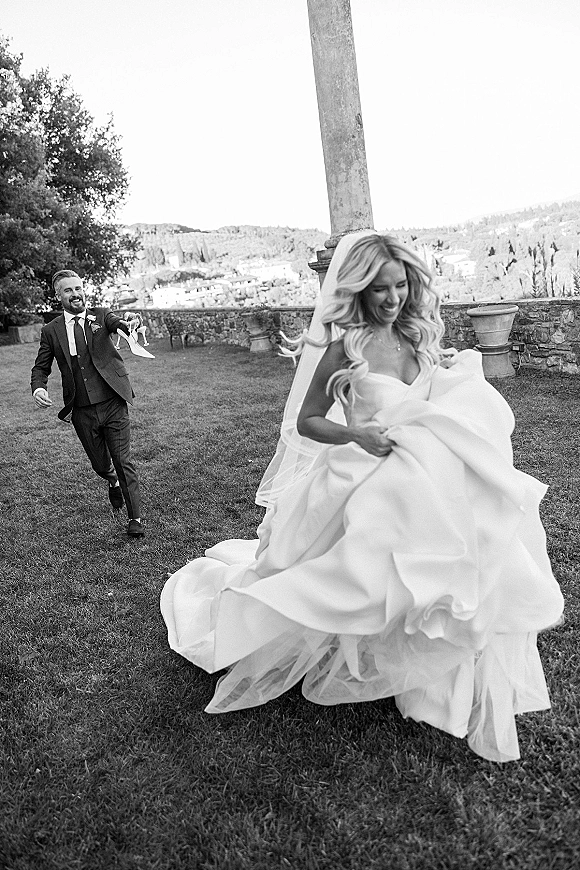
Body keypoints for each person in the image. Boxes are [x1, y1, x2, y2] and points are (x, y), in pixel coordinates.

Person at [160, 231, 564, 762]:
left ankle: (436, 666)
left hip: (427, 468)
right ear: (359, 291)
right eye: (380, 289)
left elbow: (432, 395)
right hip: (368, 464)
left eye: (400, 286)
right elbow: (306, 422)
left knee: (470, 531)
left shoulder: (416, 336)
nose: (393, 299)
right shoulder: (343, 348)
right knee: (375, 559)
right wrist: (357, 435)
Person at [31, 270, 145, 538]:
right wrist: (38, 387)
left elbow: (120, 323)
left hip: (113, 402)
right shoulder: (51, 331)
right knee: (100, 464)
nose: (76, 294)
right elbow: (41, 366)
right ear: (58, 296)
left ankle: (135, 518)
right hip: (81, 409)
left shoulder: (102, 316)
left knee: (123, 459)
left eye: (78, 288)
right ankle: (111, 480)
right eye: (68, 290)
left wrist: (128, 323)